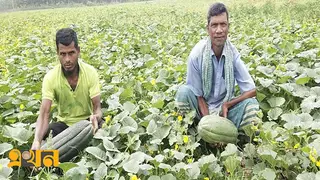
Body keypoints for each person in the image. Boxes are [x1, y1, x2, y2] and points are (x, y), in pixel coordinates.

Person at [176, 3, 259, 131]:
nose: (219, 30)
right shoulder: (197, 55)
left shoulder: (233, 54)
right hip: (202, 108)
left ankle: (238, 139)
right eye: (214, 25)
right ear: (208, 29)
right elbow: (199, 96)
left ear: (228, 27)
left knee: (252, 105)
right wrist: (212, 128)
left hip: (225, 111)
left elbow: (252, 90)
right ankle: (194, 132)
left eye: (223, 24)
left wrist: (228, 104)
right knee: (183, 93)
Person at [31, 28, 103, 150]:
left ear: (78, 51)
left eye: (71, 53)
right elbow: (44, 114)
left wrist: (95, 117)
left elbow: (97, 108)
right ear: (57, 53)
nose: (67, 59)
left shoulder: (90, 73)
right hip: (63, 127)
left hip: (87, 123)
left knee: (103, 131)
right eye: (63, 54)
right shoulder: (51, 77)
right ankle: (37, 164)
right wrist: (36, 141)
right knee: (43, 141)